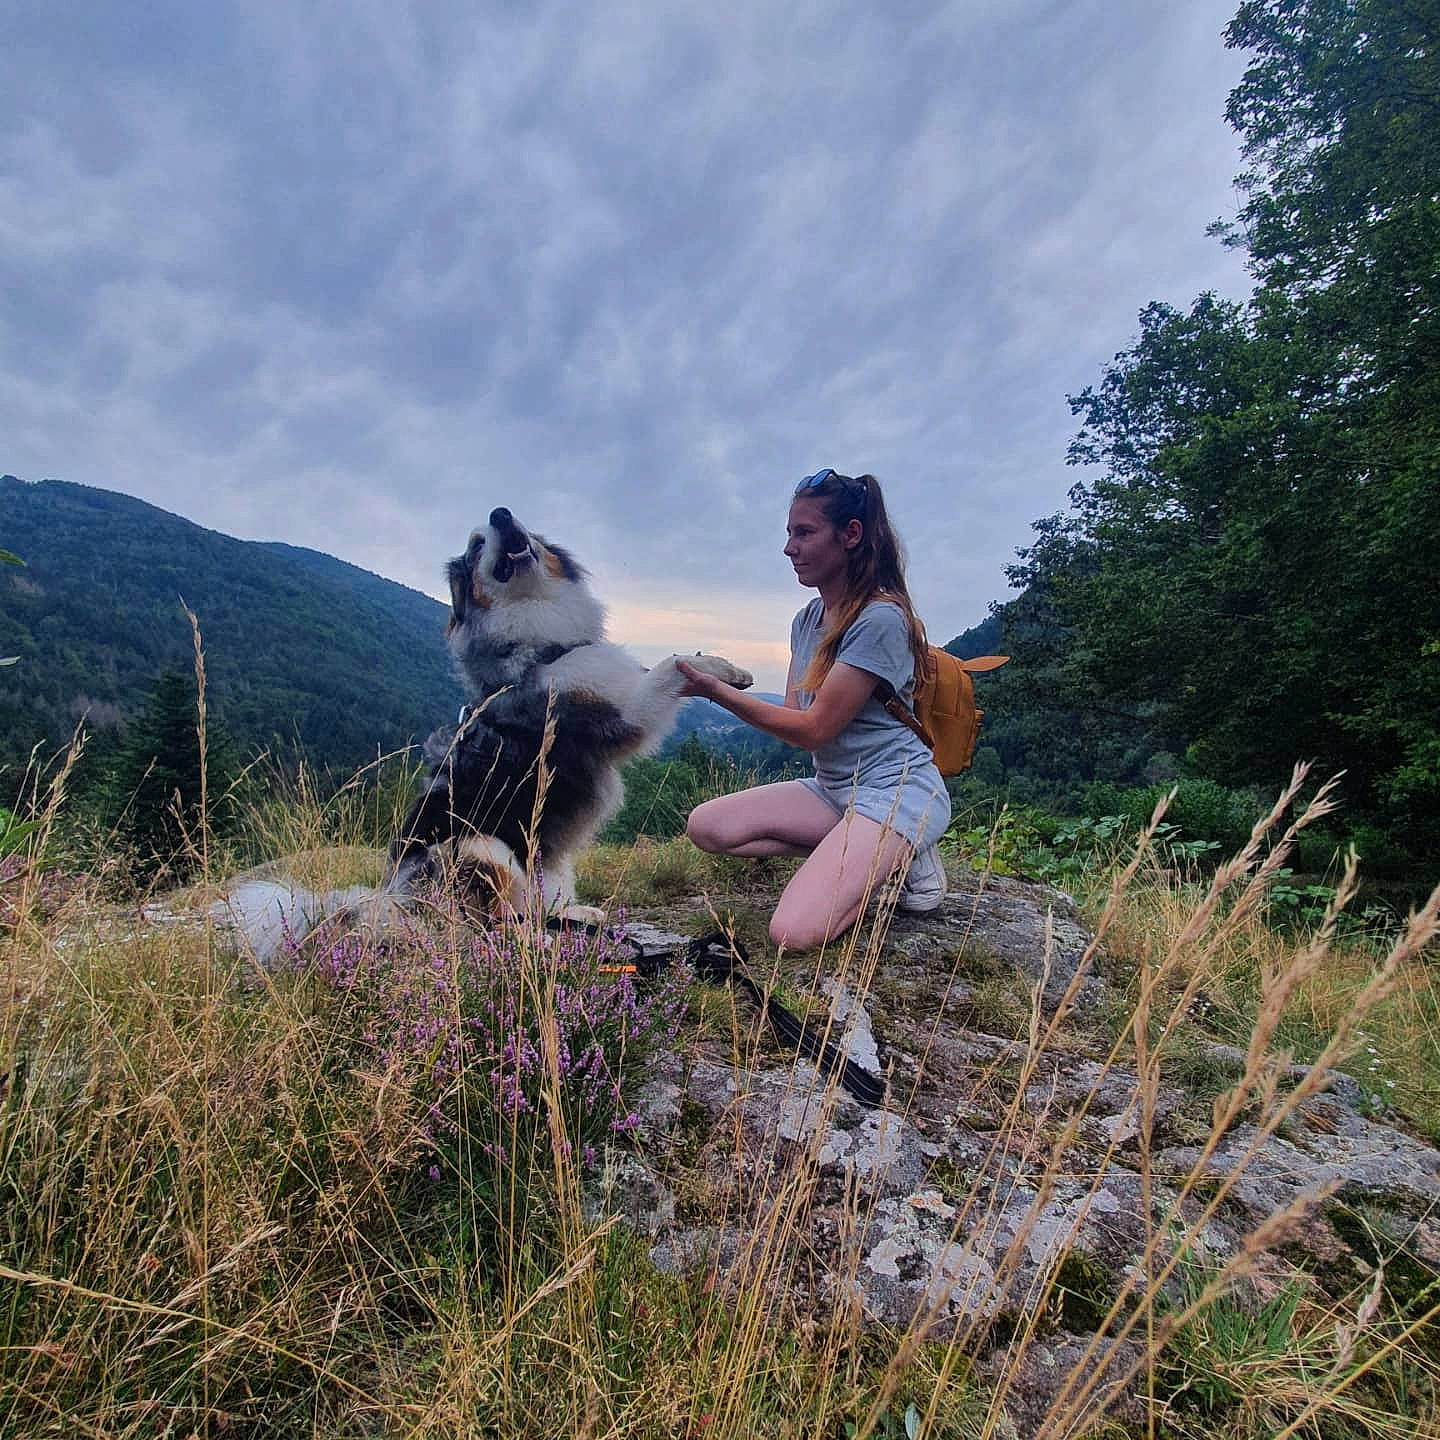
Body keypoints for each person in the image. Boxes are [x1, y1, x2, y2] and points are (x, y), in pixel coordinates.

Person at [679, 468, 950, 951]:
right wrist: (723, 683)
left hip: (896, 792)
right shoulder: (806, 621)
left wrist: (714, 692)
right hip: (834, 790)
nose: (789, 548)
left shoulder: (881, 619)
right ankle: (875, 855)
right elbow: (792, 718)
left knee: (792, 933)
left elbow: (814, 730)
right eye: (789, 533)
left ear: (850, 535)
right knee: (707, 826)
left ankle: (902, 848)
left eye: (804, 532)